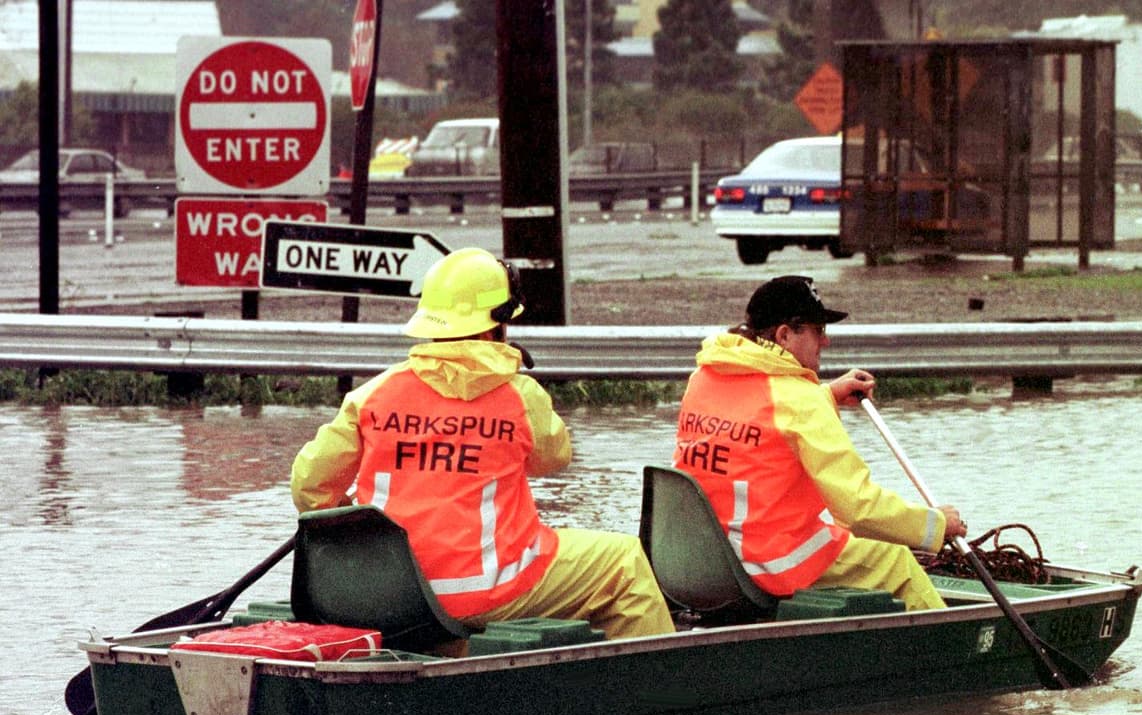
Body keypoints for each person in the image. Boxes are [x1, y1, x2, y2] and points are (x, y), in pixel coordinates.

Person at [291, 247, 675, 639]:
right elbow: (553, 458)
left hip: (390, 590)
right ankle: (658, 688)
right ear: (498, 325)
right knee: (625, 562)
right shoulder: (520, 396)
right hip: (488, 591)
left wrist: (356, 522)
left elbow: (309, 485)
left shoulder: (374, 394)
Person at [672, 275, 966, 611]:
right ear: (784, 335)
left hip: (701, 558)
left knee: (839, 533)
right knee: (897, 562)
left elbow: (759, 420)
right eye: (818, 330)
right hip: (766, 564)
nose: (825, 341)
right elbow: (859, 510)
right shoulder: (801, 401)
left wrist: (826, 395)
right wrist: (937, 525)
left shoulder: (705, 378)